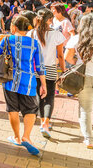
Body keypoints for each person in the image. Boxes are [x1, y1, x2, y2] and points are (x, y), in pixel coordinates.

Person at [0, 15, 47, 156]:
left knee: (12, 109)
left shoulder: (6, 40)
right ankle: (27, 136)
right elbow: (40, 66)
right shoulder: (34, 43)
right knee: (30, 109)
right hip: (28, 82)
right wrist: (44, 84)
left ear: (14, 27)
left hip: (9, 81)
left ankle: (17, 138)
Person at [64, 14, 93, 148]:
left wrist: (78, 63)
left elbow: (67, 57)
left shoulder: (77, 39)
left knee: (85, 109)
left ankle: (89, 139)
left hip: (84, 78)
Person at [31, 9, 66, 138]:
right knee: (49, 96)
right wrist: (63, 70)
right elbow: (61, 56)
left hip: (34, 69)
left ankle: (41, 121)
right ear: (50, 20)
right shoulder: (56, 34)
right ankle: (45, 123)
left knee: (38, 95)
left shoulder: (31, 33)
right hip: (50, 69)